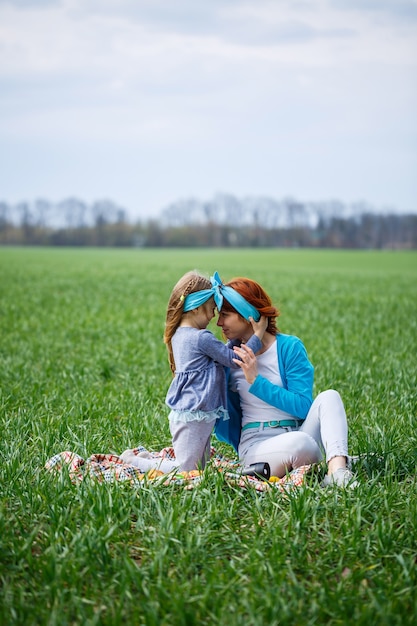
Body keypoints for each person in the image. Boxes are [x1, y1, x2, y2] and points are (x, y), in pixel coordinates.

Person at [214, 275, 357, 488]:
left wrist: (256, 381)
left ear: (248, 315)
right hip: (256, 445)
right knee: (302, 445)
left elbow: (302, 407)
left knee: (330, 397)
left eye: (225, 315)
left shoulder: (289, 347)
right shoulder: (228, 359)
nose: (219, 323)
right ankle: (332, 457)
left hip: (299, 433)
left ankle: (337, 473)